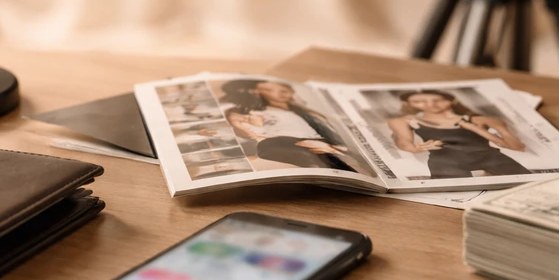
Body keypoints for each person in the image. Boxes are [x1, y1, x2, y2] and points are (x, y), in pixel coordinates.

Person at [220, 79, 363, 173]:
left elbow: (331, 133)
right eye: (268, 90)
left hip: (321, 143)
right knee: (268, 144)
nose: (278, 93)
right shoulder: (257, 113)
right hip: (288, 143)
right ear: (257, 93)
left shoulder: (308, 113)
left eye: (284, 91)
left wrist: (334, 145)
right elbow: (247, 131)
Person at [386, 90, 531, 178]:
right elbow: (404, 141)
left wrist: (475, 128)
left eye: (439, 100)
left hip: (490, 156)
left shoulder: (482, 120)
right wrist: (416, 149)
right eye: (419, 102)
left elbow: (517, 146)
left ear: (452, 101)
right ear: (409, 104)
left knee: (529, 184)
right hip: (446, 161)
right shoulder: (403, 121)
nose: (430, 105)